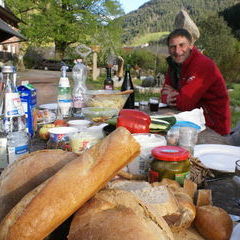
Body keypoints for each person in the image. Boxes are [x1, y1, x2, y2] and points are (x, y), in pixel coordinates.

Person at [161, 28, 231, 135]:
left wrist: (176, 96)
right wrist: (173, 97)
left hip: (213, 128)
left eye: (182, 45)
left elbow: (185, 103)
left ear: (190, 46)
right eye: (173, 47)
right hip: (191, 121)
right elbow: (164, 93)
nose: (177, 51)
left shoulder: (202, 65)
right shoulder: (174, 64)